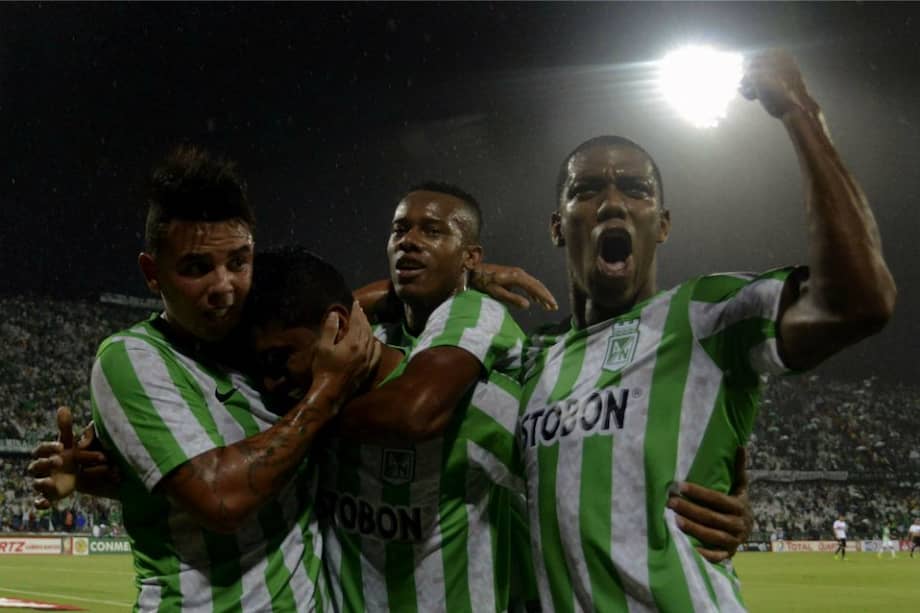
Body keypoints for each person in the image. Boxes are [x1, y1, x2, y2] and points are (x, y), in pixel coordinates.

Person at [519, 49, 895, 611]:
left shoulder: (709, 315)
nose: (613, 202)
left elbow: (862, 299)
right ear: (557, 226)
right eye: (588, 188)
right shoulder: (522, 363)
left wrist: (801, 112)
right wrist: (463, 271)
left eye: (638, 190)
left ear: (662, 225)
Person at [52, 145, 378, 612]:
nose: (224, 286)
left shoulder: (262, 348)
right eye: (196, 268)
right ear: (152, 273)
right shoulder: (131, 358)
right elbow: (221, 500)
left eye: (239, 262)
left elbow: (325, 309)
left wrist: (455, 281)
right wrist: (327, 391)